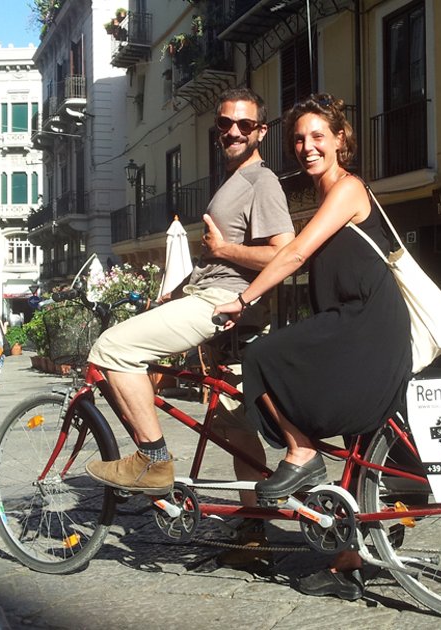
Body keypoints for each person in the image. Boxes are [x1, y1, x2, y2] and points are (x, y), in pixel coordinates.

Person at [213, 94, 412, 600]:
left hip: (366, 324)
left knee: (261, 355)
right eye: (298, 139)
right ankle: (350, 565)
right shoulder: (322, 196)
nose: (306, 147)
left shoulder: (347, 189)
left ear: (341, 139)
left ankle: (300, 452)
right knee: (359, 453)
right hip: (350, 323)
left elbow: (296, 253)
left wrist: (245, 298)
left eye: (318, 136)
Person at [85, 87, 295, 514]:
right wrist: (175, 293)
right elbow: (213, 260)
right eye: (224, 124)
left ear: (261, 132)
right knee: (233, 428)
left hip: (222, 302)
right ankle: (253, 529)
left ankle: (153, 459)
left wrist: (223, 253)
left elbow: (283, 252)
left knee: (112, 348)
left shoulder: (262, 180)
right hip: (213, 300)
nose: (233, 131)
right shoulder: (233, 183)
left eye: (244, 125)